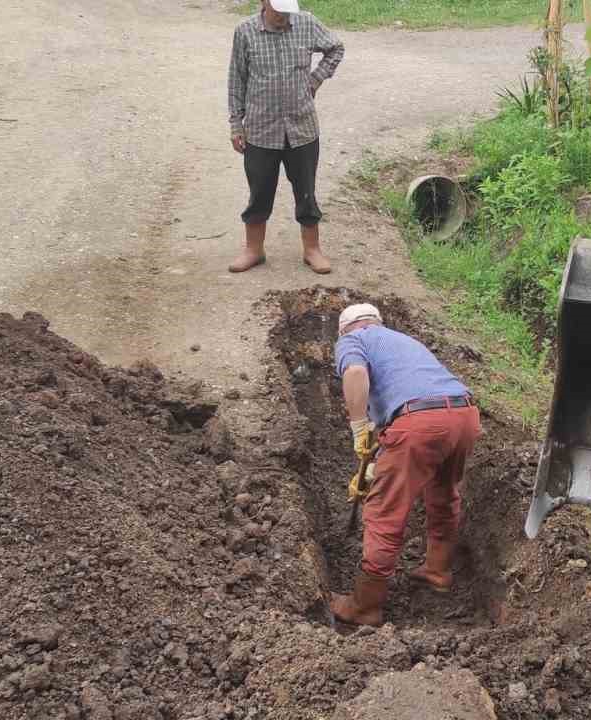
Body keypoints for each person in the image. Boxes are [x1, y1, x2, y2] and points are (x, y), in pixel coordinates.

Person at [328, 303, 482, 626]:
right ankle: (438, 570)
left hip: (420, 422)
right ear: (377, 322)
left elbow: (355, 373)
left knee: (384, 510)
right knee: (443, 491)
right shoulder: (402, 341)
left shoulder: (353, 339)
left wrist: (358, 426)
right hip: (464, 414)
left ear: (345, 329)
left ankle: (365, 605)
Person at [226, 0, 345, 275]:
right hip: (260, 129)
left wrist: (315, 79)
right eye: (278, 11)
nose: (283, 17)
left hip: (302, 128)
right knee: (260, 191)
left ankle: (312, 249)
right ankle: (254, 250)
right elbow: (236, 79)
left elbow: (336, 48)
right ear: (263, 3)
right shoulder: (244, 31)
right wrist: (236, 124)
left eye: (287, 10)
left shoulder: (306, 22)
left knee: (306, 192)